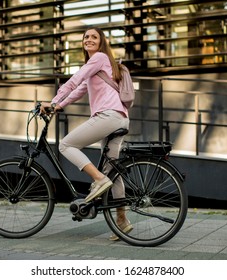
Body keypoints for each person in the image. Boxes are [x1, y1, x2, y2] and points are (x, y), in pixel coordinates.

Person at [39, 26, 132, 240]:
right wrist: (60, 105)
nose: (89, 39)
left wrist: (52, 102)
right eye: (86, 37)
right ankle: (121, 222)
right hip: (120, 117)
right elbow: (79, 90)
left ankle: (98, 180)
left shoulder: (99, 58)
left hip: (108, 116)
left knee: (66, 145)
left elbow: (74, 80)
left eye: (94, 37)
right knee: (113, 171)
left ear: (101, 43)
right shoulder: (97, 67)